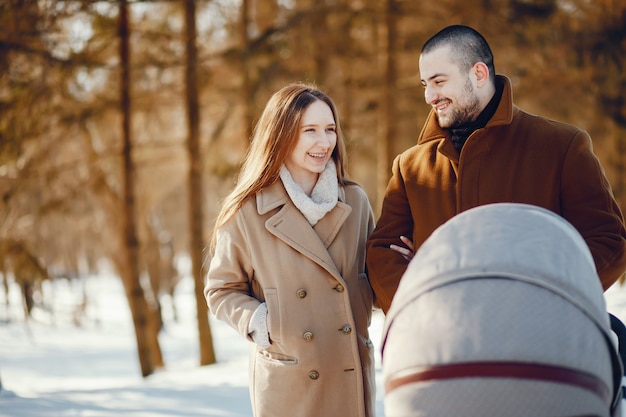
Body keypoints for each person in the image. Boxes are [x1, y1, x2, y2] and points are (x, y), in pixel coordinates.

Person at [366, 24, 626, 314]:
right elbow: (382, 255)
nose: (429, 97)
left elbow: (608, 243)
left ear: (478, 74)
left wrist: (536, 292)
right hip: (441, 343)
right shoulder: (411, 166)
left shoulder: (561, 146)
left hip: (538, 340)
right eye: (425, 85)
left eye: (439, 81)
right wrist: (424, 298)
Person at [205, 83, 376, 417]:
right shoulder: (247, 211)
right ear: (281, 134)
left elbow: (373, 276)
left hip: (347, 371)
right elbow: (221, 290)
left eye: (330, 130)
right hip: (290, 378)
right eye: (309, 130)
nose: (324, 142)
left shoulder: (355, 201)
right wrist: (263, 322)